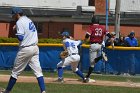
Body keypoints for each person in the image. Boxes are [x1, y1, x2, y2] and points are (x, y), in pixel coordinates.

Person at [2, 7, 46, 93]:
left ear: (17, 14)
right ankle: (43, 91)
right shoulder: (28, 20)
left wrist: (14, 31)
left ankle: (7, 91)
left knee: (15, 72)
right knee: (38, 72)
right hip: (35, 48)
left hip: (26, 49)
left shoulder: (20, 22)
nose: (12, 16)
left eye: (13, 15)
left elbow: (20, 37)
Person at [84, 16, 112, 83]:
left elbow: (87, 35)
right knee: (94, 61)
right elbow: (108, 34)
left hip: (93, 45)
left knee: (92, 64)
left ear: (92, 21)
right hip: (100, 45)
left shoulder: (91, 27)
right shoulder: (102, 27)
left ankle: (87, 77)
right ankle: (100, 57)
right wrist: (111, 38)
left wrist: (85, 39)